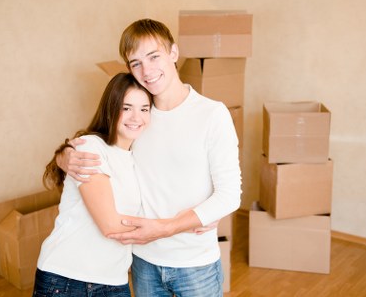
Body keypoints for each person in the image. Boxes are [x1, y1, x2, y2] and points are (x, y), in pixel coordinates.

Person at [57, 19, 242, 296]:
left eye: (154, 56)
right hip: (143, 261)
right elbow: (97, 143)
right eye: (136, 63)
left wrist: (167, 228)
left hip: (195, 265)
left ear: (174, 53)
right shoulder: (137, 117)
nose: (147, 70)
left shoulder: (212, 114)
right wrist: (63, 155)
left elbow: (230, 195)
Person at [33, 73, 152, 297]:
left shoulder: (136, 158)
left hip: (114, 278)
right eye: (127, 108)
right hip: (66, 278)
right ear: (111, 108)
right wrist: (173, 228)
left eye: (144, 109)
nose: (137, 117)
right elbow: (111, 226)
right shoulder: (91, 147)